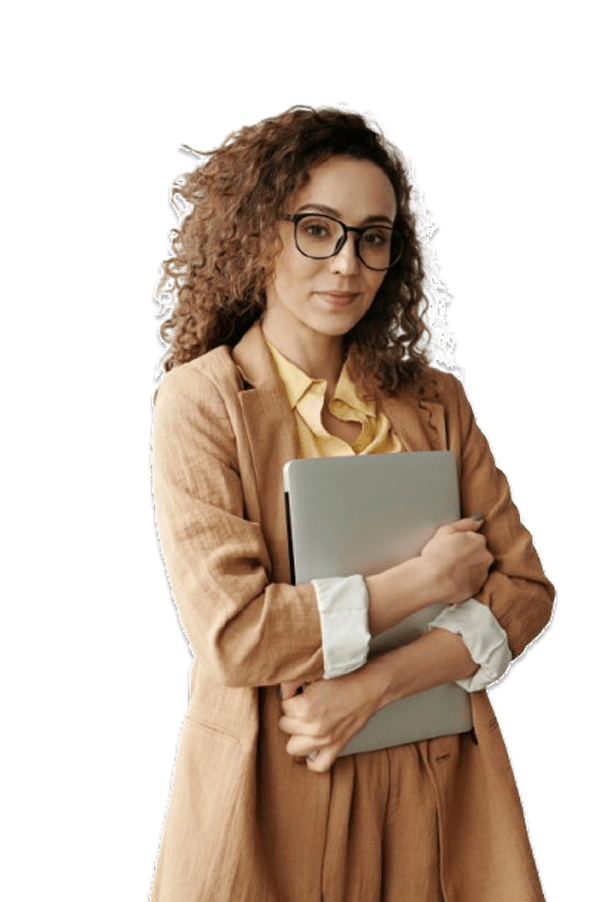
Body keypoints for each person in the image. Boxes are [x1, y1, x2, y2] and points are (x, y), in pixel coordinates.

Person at [148, 104, 555, 902]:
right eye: (318, 228)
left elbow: (528, 593)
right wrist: (427, 583)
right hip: (274, 782)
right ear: (262, 231)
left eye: (373, 237)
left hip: (440, 784)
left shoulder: (437, 400)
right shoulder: (202, 401)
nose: (347, 265)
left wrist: (376, 686)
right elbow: (236, 634)